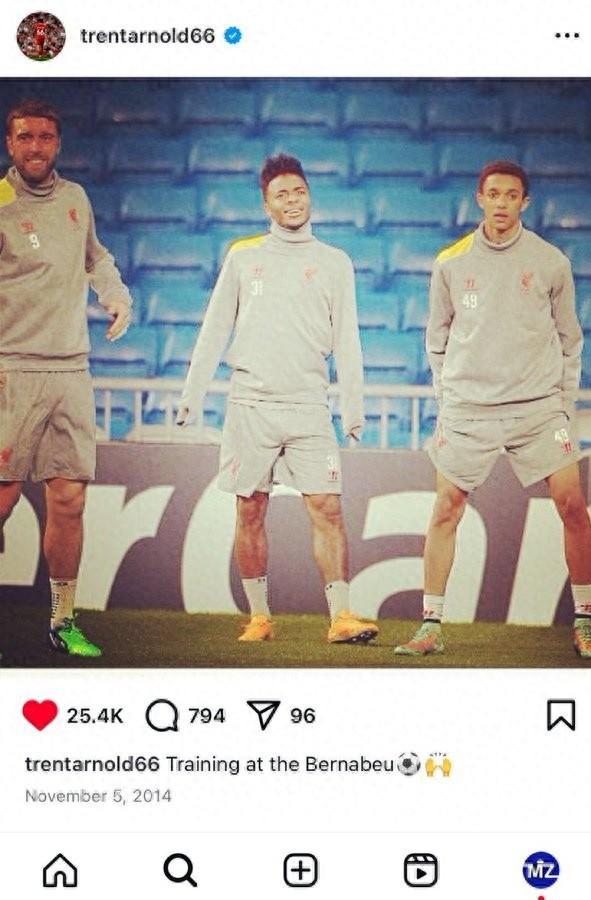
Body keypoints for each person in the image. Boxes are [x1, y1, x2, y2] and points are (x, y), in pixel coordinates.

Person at [178, 153, 378, 644]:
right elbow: (214, 329)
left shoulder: (334, 262)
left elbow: (347, 339)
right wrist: (192, 393)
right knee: (250, 509)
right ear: (266, 204)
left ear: (310, 196)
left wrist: (353, 406)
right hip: (251, 405)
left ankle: (341, 616)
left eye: (299, 192)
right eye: (281, 194)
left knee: (327, 507)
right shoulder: (243, 257)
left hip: (310, 407)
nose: (292, 201)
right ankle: (260, 618)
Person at [395, 159, 591, 658]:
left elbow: (570, 339)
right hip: (469, 409)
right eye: (494, 194)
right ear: (480, 199)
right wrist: (448, 400)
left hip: (538, 409)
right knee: (446, 507)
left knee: (573, 503)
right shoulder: (451, 263)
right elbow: (436, 338)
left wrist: (562, 405)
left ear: (525, 202)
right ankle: (430, 626)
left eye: (511, 195)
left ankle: (586, 621)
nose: (502, 203)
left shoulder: (550, 262)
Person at [0, 99, 132, 657]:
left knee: (70, 499)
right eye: (25, 137)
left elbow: (95, 258)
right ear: (10, 144)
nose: (35, 147)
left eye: (45, 137)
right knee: (3, 500)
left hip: (72, 370)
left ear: (57, 143)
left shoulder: (76, 198)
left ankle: (62, 621)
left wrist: (116, 294)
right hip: (12, 368)